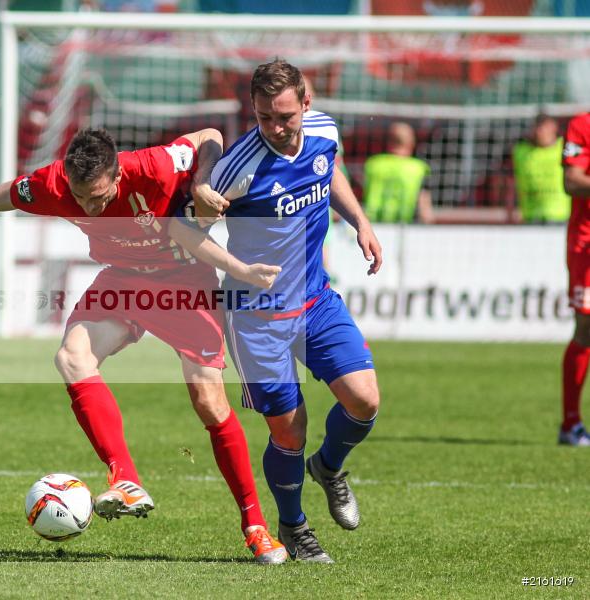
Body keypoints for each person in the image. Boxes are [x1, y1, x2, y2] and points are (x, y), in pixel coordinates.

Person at [0, 127, 288, 563]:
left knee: (209, 401)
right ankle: (125, 479)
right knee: (72, 356)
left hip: (186, 286)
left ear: (116, 174)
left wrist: (202, 182)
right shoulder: (52, 185)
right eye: (80, 197)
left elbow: (210, 134)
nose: (89, 207)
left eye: (99, 197)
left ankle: (256, 527)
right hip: (123, 283)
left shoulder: (155, 166)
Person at [170, 59, 383, 563]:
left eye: (285, 116)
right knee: (290, 429)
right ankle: (294, 526)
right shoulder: (234, 171)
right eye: (265, 117)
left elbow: (329, 173)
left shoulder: (324, 131)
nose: (276, 127)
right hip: (255, 317)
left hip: (314, 299)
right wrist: (238, 269)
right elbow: (184, 233)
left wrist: (359, 220)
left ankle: (328, 468)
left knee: (365, 402)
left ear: (305, 104)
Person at [560, 111, 590, 446]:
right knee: (586, 327)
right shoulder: (582, 124)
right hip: (587, 243)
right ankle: (571, 424)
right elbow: (572, 181)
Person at [362, 121, 434, 224]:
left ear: (389, 141)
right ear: (411, 142)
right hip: (405, 228)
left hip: (373, 226)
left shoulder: (372, 164)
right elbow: (425, 212)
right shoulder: (419, 169)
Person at [513, 114, 570, 223]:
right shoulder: (521, 152)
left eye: (544, 127)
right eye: (537, 127)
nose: (540, 132)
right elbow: (513, 181)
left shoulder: (564, 149)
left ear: (554, 128)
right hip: (531, 216)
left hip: (560, 216)